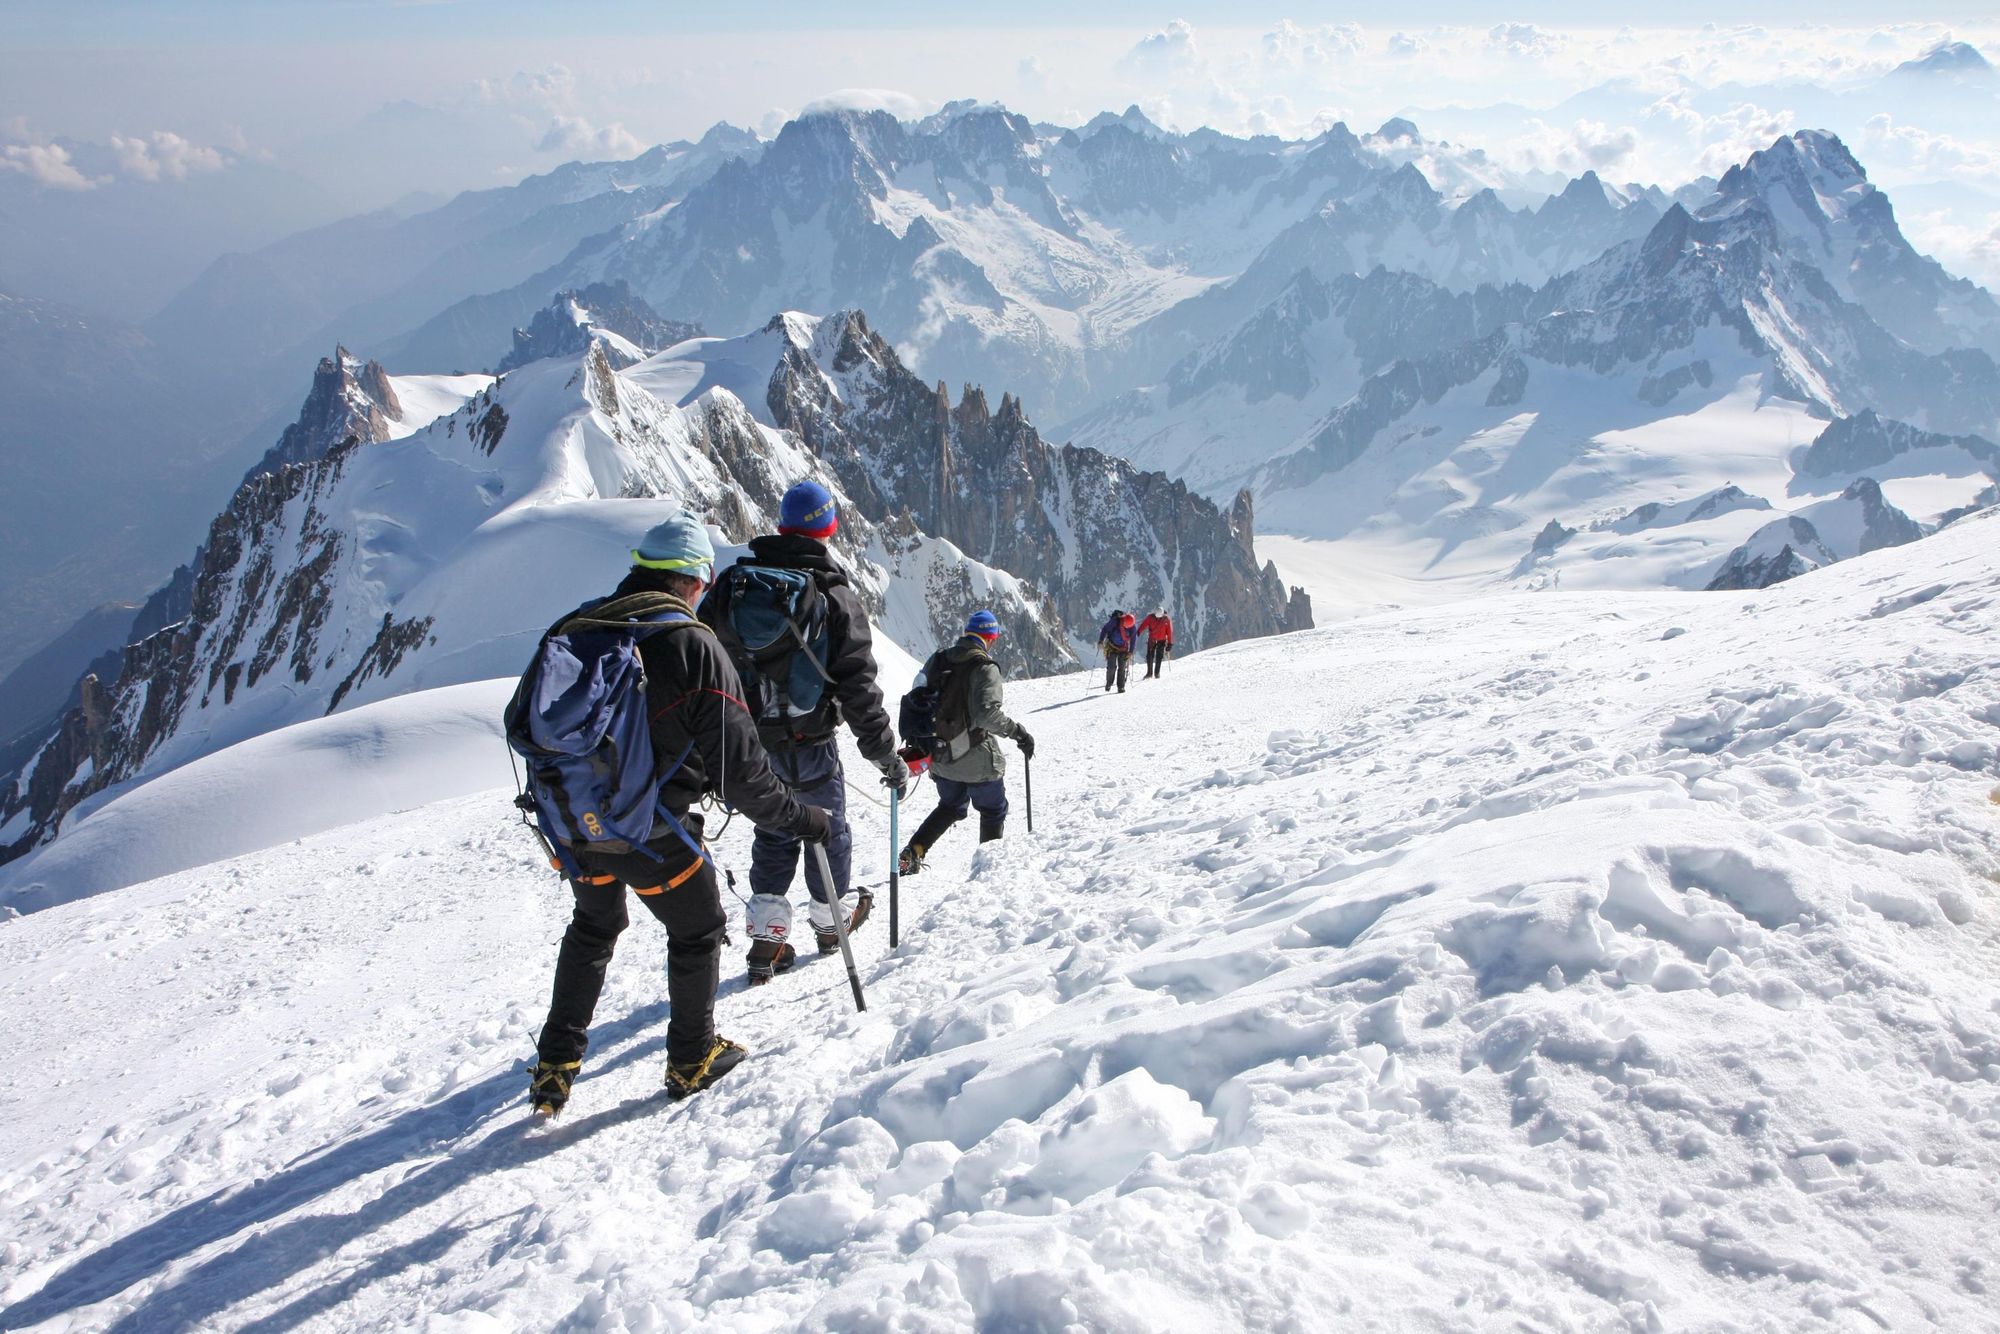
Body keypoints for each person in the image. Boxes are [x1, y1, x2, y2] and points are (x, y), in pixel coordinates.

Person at [525, 513, 832, 1116]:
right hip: (652, 835)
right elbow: (744, 775)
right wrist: (805, 819)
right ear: (699, 580)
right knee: (696, 928)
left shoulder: (578, 625)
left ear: (640, 568)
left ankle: (555, 1067)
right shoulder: (692, 645)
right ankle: (691, 1059)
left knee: (594, 927)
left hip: (573, 825)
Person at [702, 480, 910, 984]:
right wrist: (885, 756)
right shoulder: (834, 595)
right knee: (825, 828)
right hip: (811, 741)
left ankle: (766, 940)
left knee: (773, 828)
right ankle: (829, 924)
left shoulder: (733, 585)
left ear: (780, 525)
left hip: (749, 745)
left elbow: (706, 663)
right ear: (829, 529)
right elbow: (858, 687)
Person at [897, 610, 1034, 874]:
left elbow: (918, 695)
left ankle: (914, 851)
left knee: (950, 806)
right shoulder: (984, 668)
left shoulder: (937, 660)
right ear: (991, 638)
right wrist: (1019, 733)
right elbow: (987, 715)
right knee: (993, 809)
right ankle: (987, 871)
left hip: (939, 757)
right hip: (977, 761)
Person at [1098, 609, 1139, 693]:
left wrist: (1130, 652)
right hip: (1112, 646)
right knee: (1111, 668)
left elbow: (1133, 640)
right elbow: (1105, 629)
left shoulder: (1132, 628)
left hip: (1123, 648)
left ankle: (1121, 687)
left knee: (1122, 668)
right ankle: (1109, 683)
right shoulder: (1115, 621)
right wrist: (1100, 641)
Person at [1135, 608, 1174, 679]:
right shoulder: (1163, 619)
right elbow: (1143, 625)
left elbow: (1169, 632)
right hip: (1154, 640)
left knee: (1158, 657)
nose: (1158, 618)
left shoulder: (1164, 619)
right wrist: (1138, 632)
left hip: (1158, 640)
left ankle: (1155, 673)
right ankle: (1151, 673)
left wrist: (1170, 643)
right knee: (1150, 656)